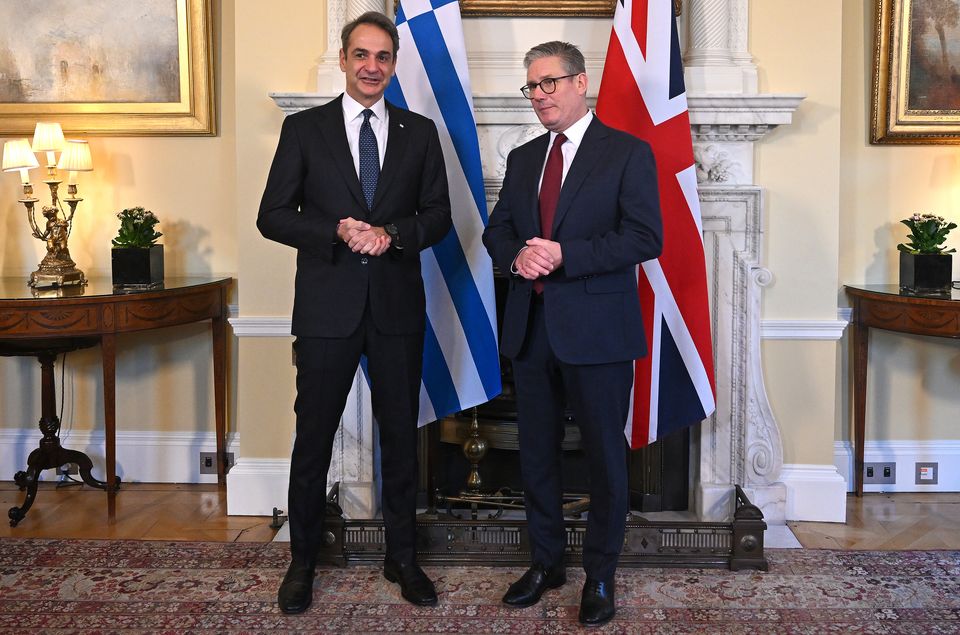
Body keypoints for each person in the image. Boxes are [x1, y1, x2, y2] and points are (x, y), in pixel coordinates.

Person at [257, 11, 451, 614]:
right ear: (343, 59)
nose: (372, 67)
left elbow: (439, 216)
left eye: (383, 58)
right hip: (326, 310)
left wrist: (391, 233)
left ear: (394, 65)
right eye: (362, 55)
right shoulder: (305, 130)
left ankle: (403, 558)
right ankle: (302, 561)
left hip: (396, 310)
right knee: (313, 439)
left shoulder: (420, 133)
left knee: (400, 439)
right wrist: (337, 232)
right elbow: (272, 215)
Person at [482, 41, 663, 626]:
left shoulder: (627, 153)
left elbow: (644, 238)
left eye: (549, 83)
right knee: (536, 455)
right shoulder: (524, 156)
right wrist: (519, 261)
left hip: (599, 333)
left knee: (606, 458)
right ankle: (547, 562)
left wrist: (564, 256)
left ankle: (601, 575)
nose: (539, 96)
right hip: (531, 331)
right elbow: (498, 232)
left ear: (581, 83)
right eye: (531, 87)